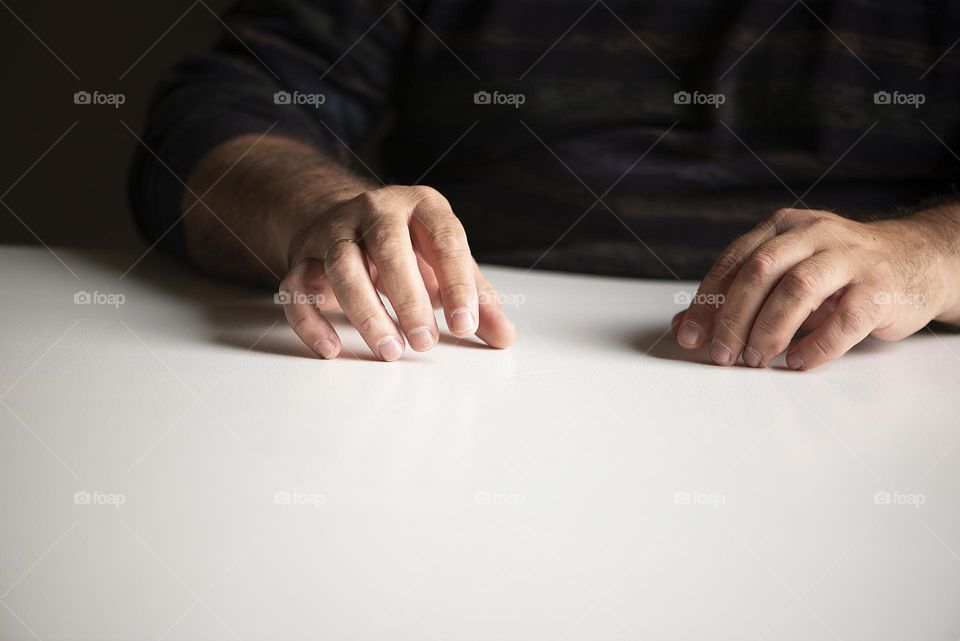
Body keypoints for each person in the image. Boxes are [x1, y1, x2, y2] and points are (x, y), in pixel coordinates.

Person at [130, 0, 960, 369]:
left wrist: (929, 254)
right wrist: (317, 212)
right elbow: (221, 108)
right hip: (463, 362)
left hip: (865, 380)